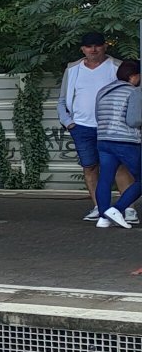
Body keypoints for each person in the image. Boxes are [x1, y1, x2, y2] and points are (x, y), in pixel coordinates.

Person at [60, 31, 124, 219]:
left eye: (97, 45)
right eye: (89, 46)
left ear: (105, 46)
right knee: (89, 167)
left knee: (120, 166)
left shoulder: (117, 67)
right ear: (82, 49)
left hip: (112, 127)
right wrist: (68, 122)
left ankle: (126, 207)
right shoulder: (73, 70)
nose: (93, 49)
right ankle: (100, 208)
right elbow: (62, 99)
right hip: (81, 127)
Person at [94, 59, 142, 229]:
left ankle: (103, 217)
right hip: (126, 141)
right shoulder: (134, 92)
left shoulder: (103, 91)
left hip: (103, 139)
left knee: (105, 179)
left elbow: (98, 116)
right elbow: (134, 120)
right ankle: (117, 208)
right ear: (134, 76)